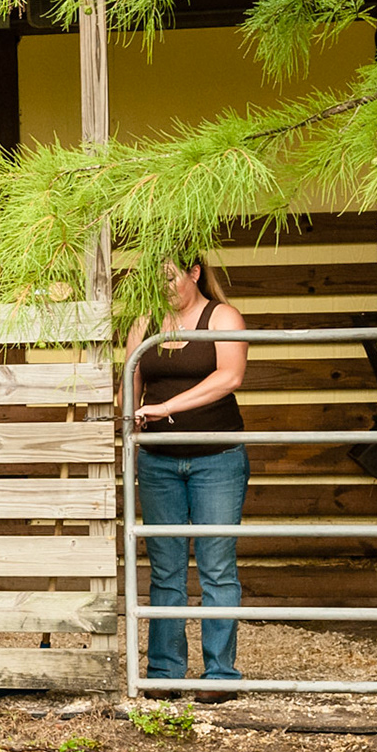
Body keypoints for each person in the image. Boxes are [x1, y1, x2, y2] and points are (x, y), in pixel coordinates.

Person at [127, 255, 248, 704]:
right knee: (166, 567)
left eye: (170, 277)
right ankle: (165, 672)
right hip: (158, 460)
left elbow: (230, 376)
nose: (163, 287)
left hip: (216, 458)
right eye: (155, 280)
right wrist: (124, 421)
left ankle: (220, 674)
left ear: (194, 273)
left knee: (216, 566)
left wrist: (165, 408)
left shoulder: (224, 317)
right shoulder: (145, 321)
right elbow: (130, 380)